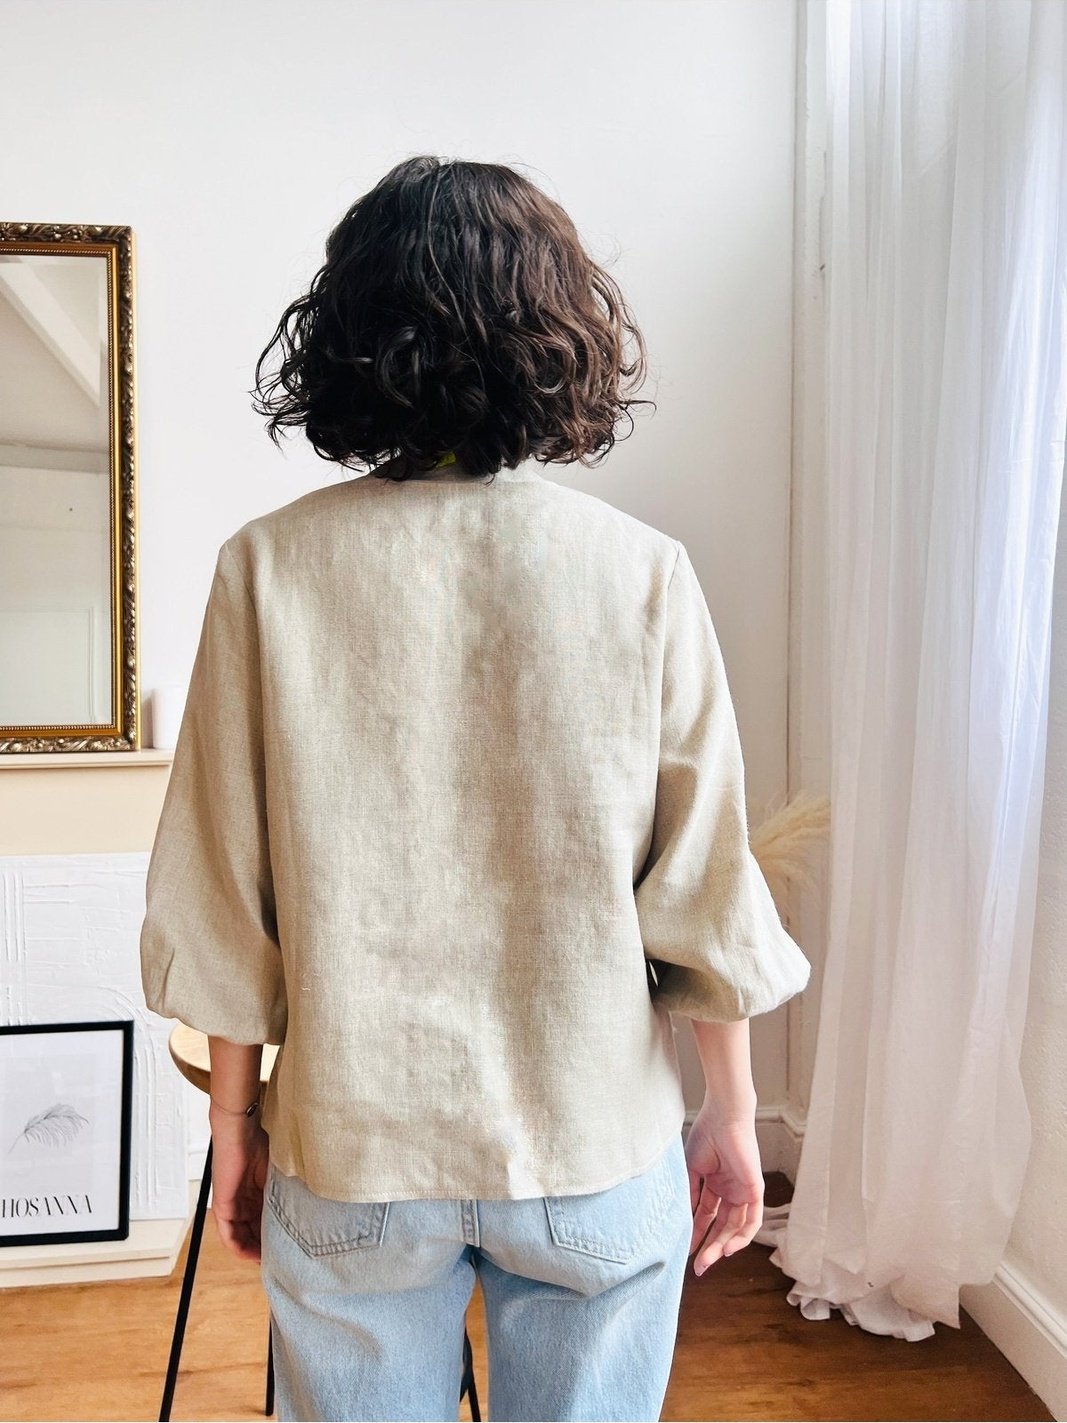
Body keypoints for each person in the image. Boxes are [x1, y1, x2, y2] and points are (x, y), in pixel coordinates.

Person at [139, 155, 812, 1423]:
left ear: (348, 338)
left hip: (354, 1148)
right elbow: (703, 890)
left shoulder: (266, 570)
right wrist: (730, 1113)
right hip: (589, 1142)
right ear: (556, 339)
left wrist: (234, 1125)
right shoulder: (640, 572)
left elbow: (222, 894)